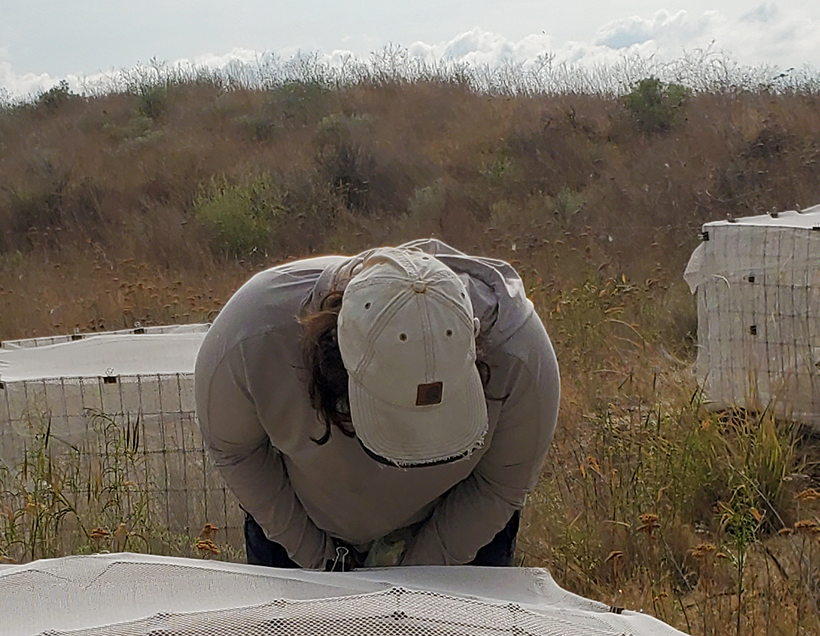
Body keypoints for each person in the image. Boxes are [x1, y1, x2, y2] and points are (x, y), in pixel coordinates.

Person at [195, 239, 560, 569]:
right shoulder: (251, 335)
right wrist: (319, 558)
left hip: (456, 521)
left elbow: (499, 486)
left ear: (476, 345)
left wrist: (414, 579)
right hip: (301, 526)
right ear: (335, 361)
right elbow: (235, 451)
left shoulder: (520, 356)